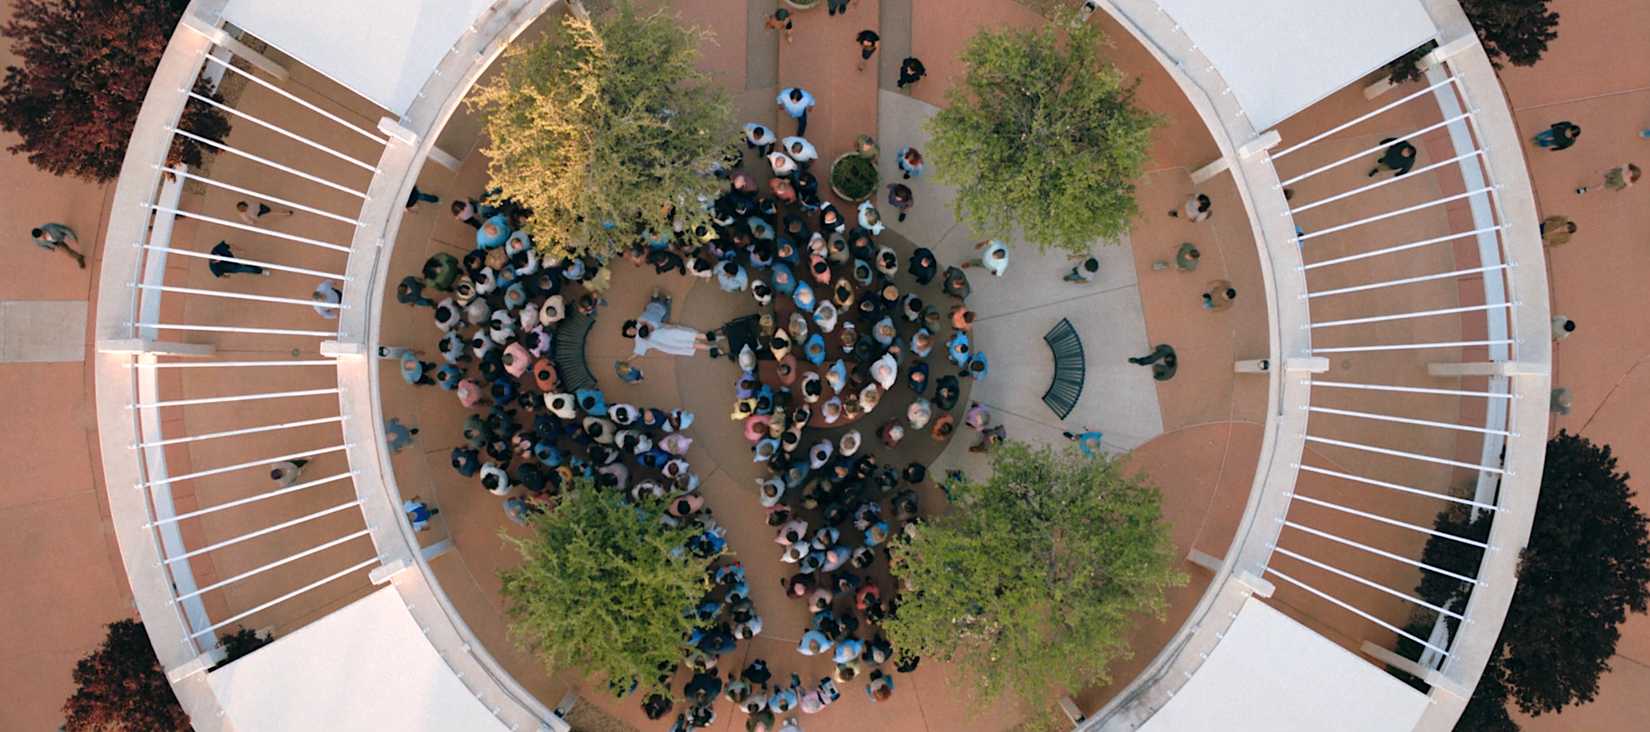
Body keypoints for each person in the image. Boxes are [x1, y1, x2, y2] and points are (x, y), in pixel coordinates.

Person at [1576, 162, 1640, 194]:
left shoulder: (1629, 182)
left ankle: (1585, 190)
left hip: (1613, 183)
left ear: (1632, 177)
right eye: (1629, 171)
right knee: (1605, 175)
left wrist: (1620, 189)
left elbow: (1626, 186)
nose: (1628, 173)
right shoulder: (1624, 168)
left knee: (1600, 186)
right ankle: (1605, 175)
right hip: (1613, 174)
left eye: (1630, 174)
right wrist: (1602, 171)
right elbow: (1613, 168)